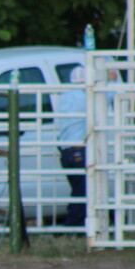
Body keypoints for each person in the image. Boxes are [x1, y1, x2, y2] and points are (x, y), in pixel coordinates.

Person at [55, 65, 87, 227]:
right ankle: (71, 226)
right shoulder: (85, 97)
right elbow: (108, 96)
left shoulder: (64, 97)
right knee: (82, 191)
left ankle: (74, 224)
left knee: (78, 188)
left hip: (66, 150)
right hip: (79, 149)